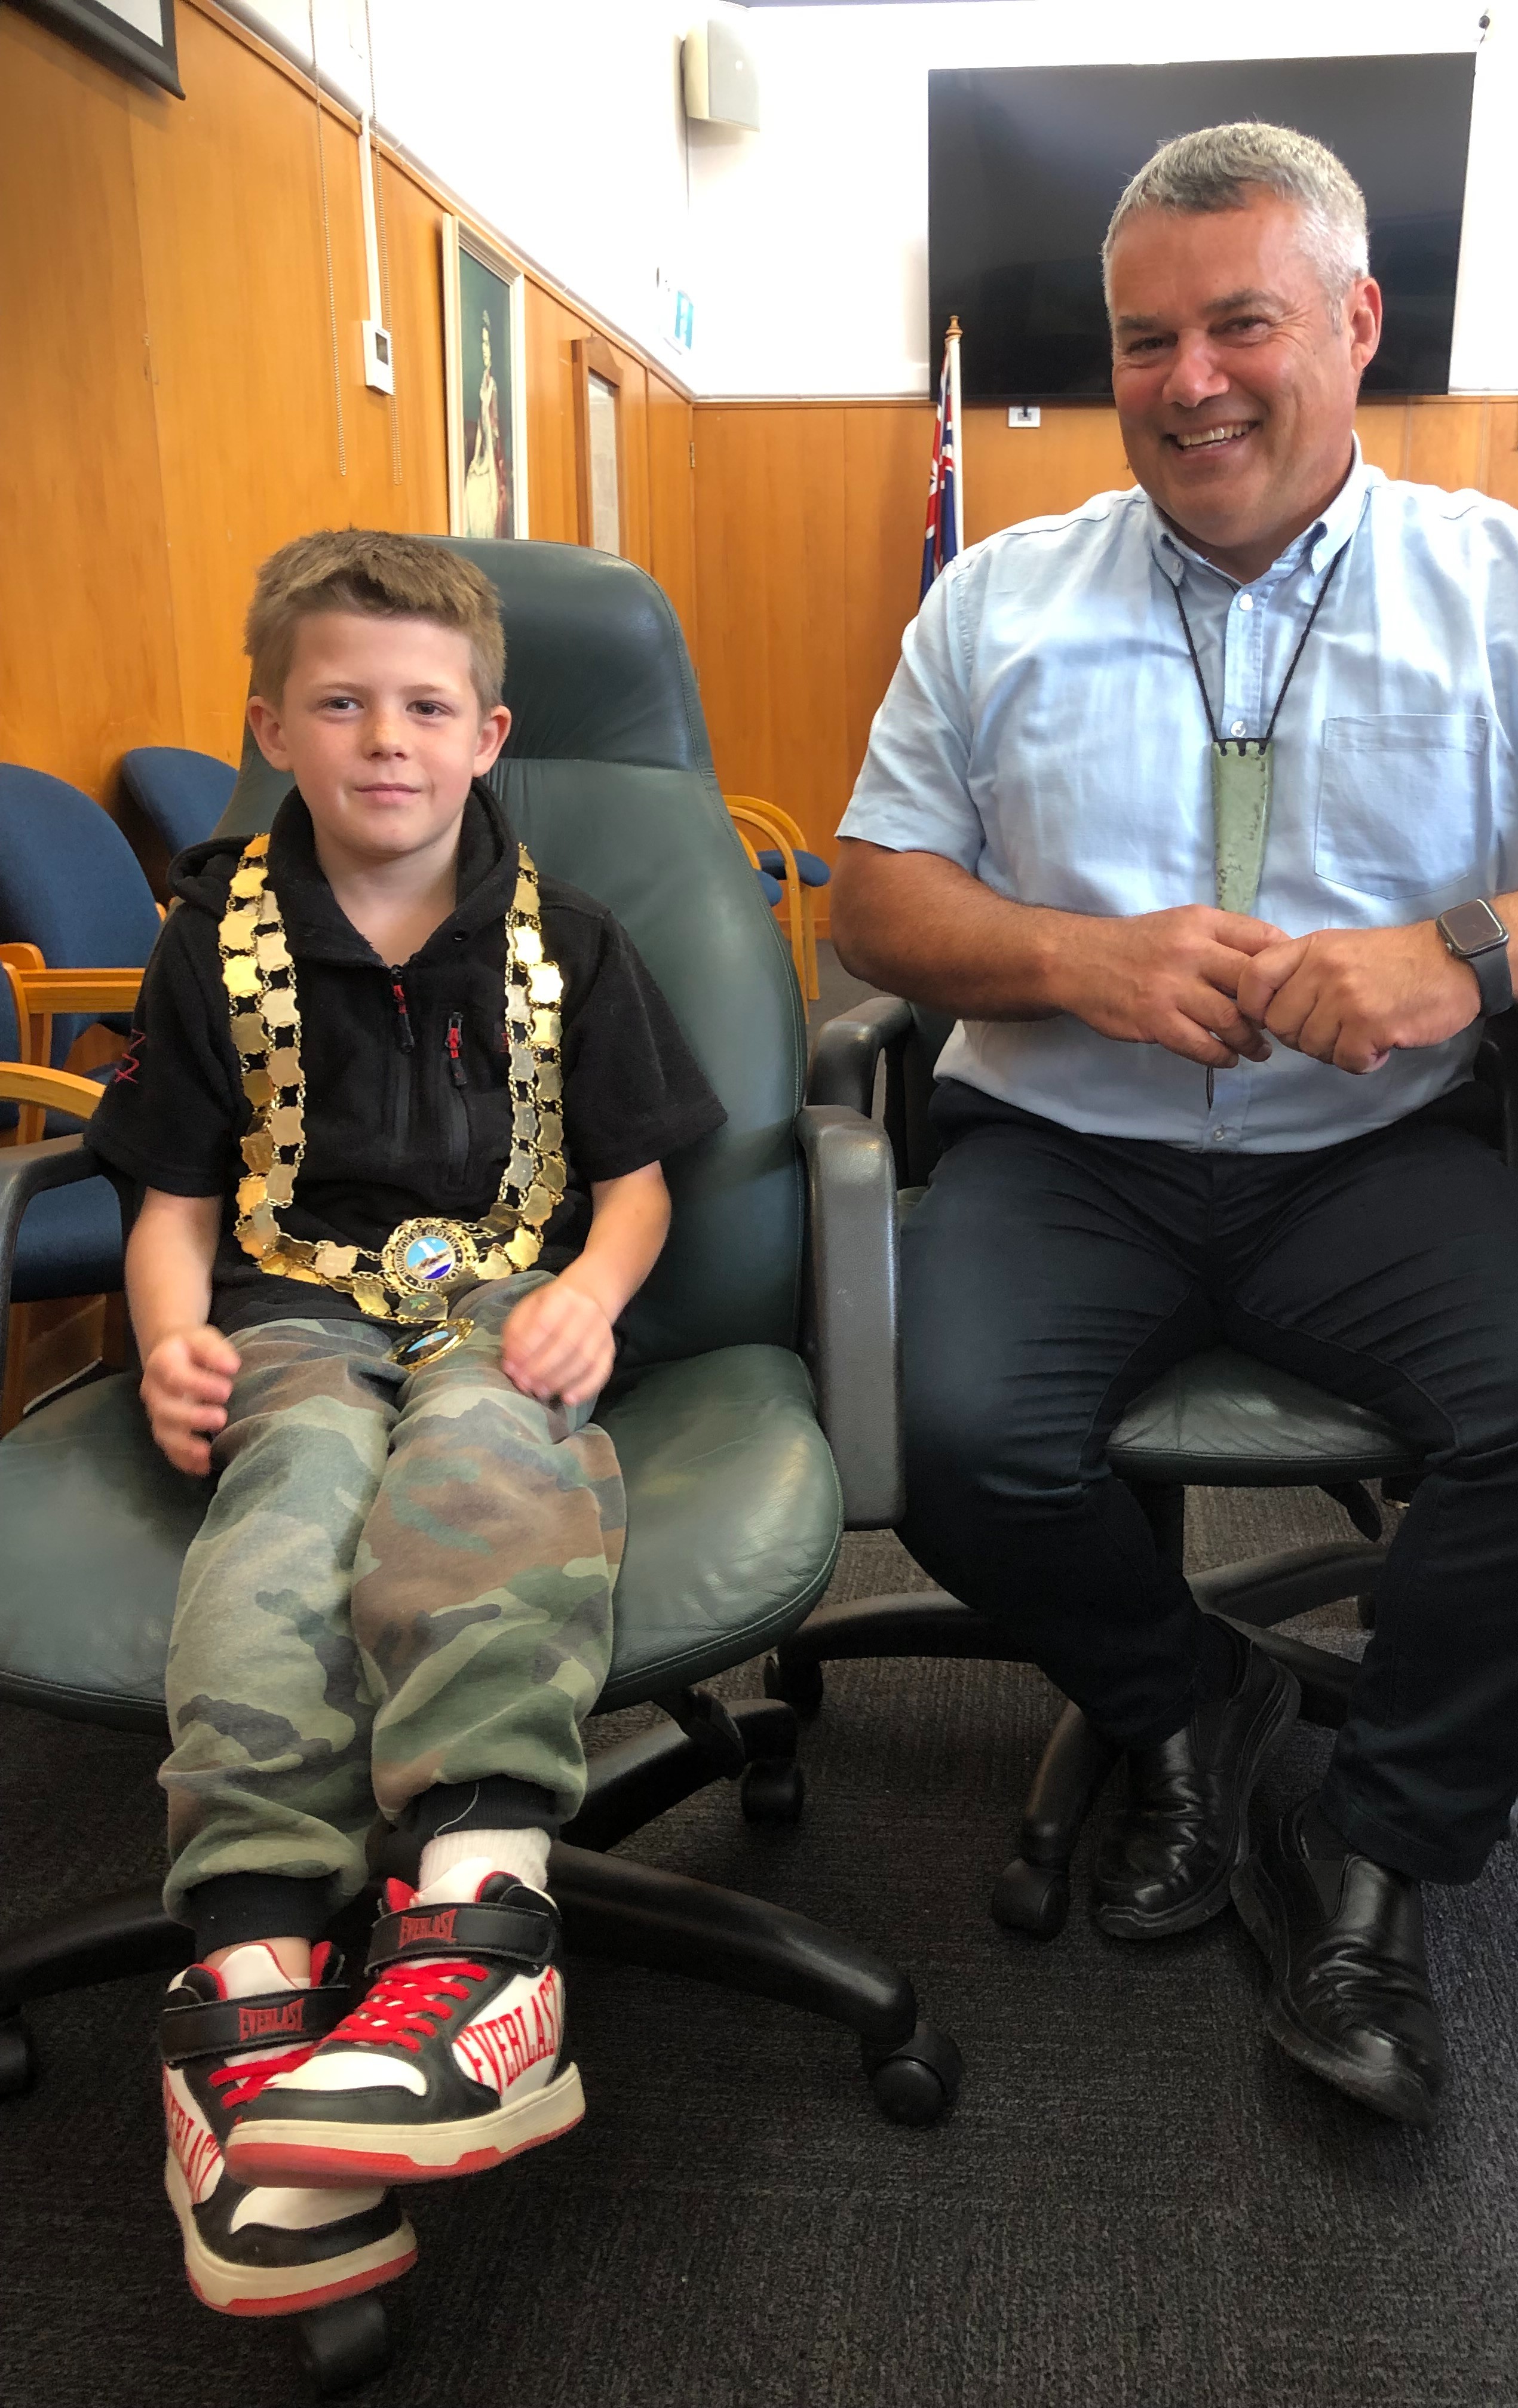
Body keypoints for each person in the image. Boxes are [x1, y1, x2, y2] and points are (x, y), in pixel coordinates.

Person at [832, 123, 1518, 2128]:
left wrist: (1468, 949)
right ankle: (1180, 1703)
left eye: (1241, 323)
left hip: (1368, 1160)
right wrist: (1067, 958)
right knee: (930, 1428)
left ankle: (1377, 1860)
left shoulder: (1514, 583)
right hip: (1060, 1146)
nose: (1189, 380)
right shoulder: (998, 600)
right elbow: (873, 903)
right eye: (1144, 339)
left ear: (1353, 325)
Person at [86, 528, 723, 2315]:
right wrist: (159, 1342)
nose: (387, 737)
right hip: (285, 1312)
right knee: (283, 1521)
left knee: (480, 1470)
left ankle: (483, 1925)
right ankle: (250, 1989)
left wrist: (593, 1289)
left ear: (490, 729)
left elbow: (644, 1178)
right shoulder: (210, 941)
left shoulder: (568, 941)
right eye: (342, 702)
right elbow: (171, 1204)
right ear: (273, 724)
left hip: (504, 1304)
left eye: (426, 705)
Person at [464, 311, 505, 539]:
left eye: (488, 344)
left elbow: (492, 430)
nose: (485, 350)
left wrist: (486, 462)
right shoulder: (484, 381)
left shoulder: (493, 386)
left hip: (491, 452)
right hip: (484, 450)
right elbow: (482, 427)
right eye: (483, 344)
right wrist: (475, 462)